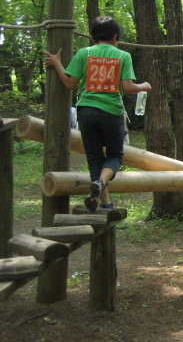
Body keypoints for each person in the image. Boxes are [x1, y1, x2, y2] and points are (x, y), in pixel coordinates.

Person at [44, 16, 151, 211]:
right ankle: (101, 182)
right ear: (116, 36)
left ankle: (105, 203)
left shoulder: (84, 53)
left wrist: (56, 62)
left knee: (95, 158)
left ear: (93, 38)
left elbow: (69, 83)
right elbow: (128, 88)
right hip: (111, 112)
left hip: (86, 111)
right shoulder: (122, 56)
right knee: (116, 156)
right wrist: (144, 85)